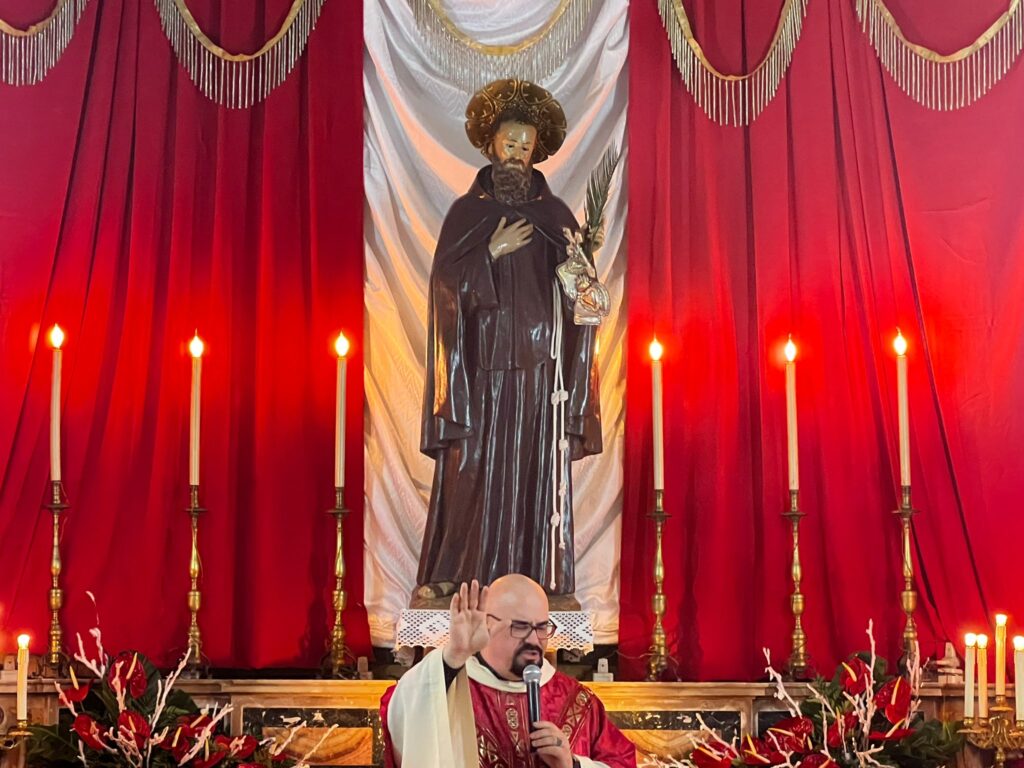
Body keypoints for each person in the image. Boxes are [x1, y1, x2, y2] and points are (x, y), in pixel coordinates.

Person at [417, 79, 602, 601]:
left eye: (526, 146)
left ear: (536, 152)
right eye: (509, 144)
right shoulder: (466, 216)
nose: (517, 155)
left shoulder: (556, 217)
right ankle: (456, 571)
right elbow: (444, 289)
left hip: (542, 375)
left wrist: (584, 275)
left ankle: (538, 571)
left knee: (532, 473)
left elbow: (581, 300)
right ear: (491, 146)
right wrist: (490, 253)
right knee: (469, 469)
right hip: (479, 372)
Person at [382, 575, 636, 767]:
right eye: (521, 626)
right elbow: (402, 714)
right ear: (487, 625)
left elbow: (622, 761)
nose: (534, 640)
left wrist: (573, 764)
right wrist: (455, 654)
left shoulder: (579, 702)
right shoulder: (451, 687)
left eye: (541, 628)